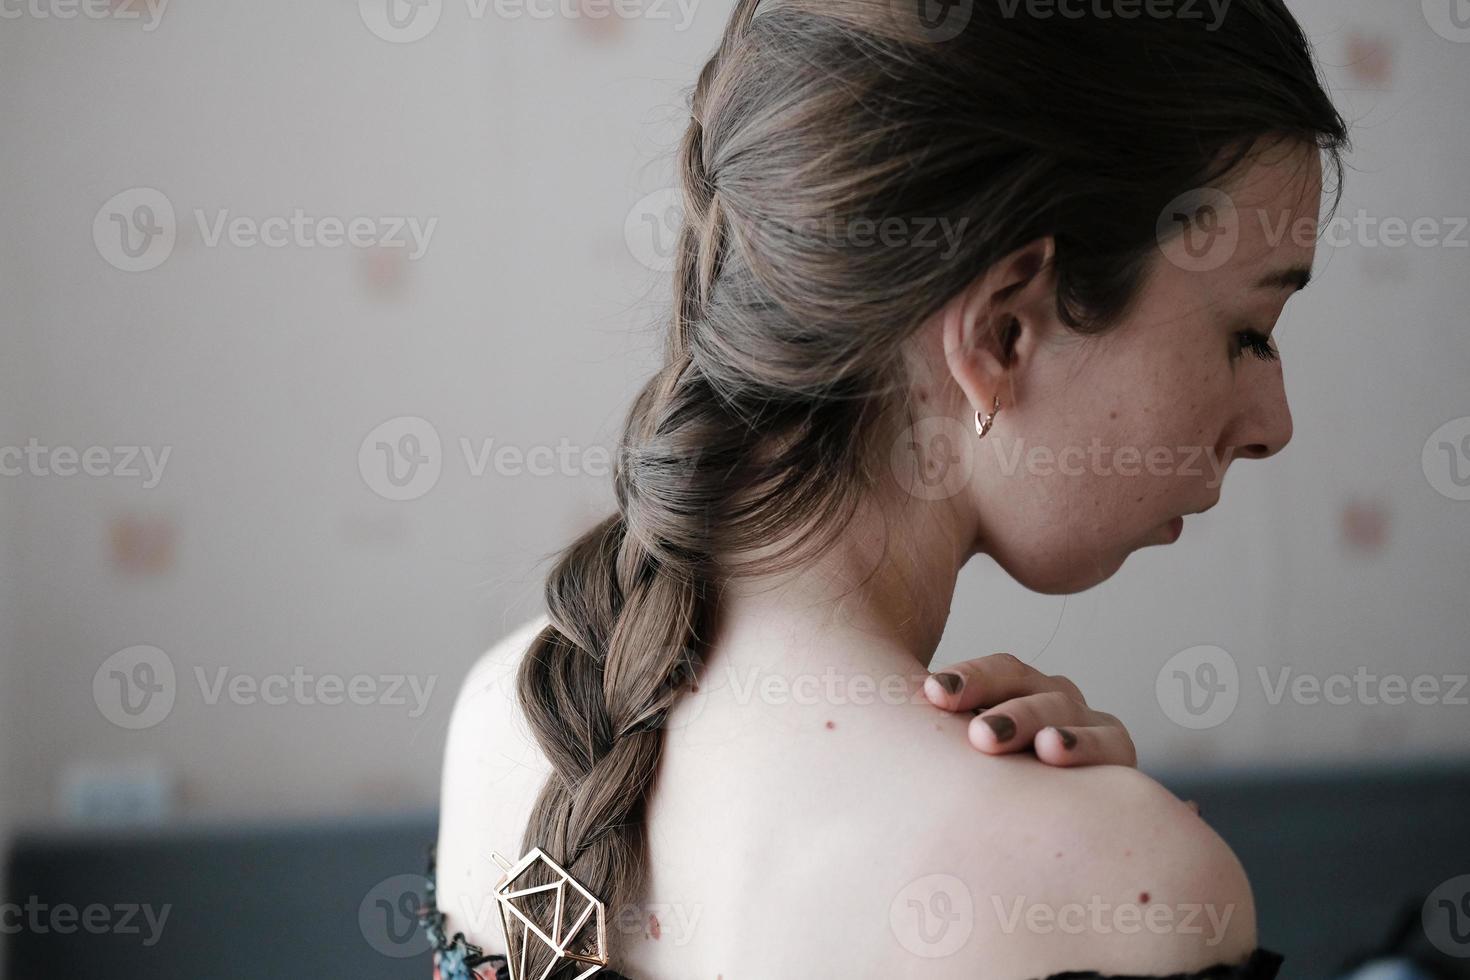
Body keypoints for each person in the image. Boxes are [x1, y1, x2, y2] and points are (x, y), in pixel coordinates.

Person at [431, 0, 1350, 975]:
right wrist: (1108, 857)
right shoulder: (1125, 882)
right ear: (1003, 330)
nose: (1272, 425)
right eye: (1249, 331)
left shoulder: (512, 711)